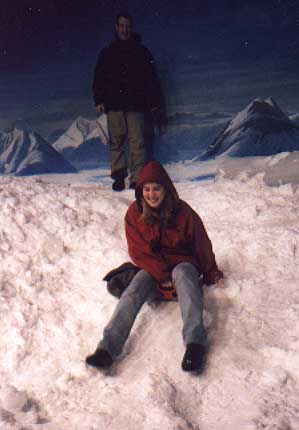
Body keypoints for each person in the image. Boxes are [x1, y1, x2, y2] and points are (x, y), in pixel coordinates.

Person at [86, 161, 224, 372]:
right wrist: (161, 276)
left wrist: (211, 272)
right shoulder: (134, 214)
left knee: (184, 272)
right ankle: (107, 349)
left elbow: (201, 244)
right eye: (146, 189)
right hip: (153, 274)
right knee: (134, 289)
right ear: (141, 191)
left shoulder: (184, 213)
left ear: (166, 189)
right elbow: (138, 253)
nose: (151, 194)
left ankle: (195, 345)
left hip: (181, 270)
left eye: (156, 188)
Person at [92, 13, 164, 191]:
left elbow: (152, 79)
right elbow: (99, 77)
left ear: (131, 28)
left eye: (127, 26)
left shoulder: (141, 52)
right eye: (121, 26)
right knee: (116, 142)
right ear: (116, 27)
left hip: (136, 104)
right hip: (114, 105)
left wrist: (154, 102)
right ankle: (118, 177)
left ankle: (137, 179)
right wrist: (99, 99)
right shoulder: (107, 52)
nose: (124, 29)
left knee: (137, 142)